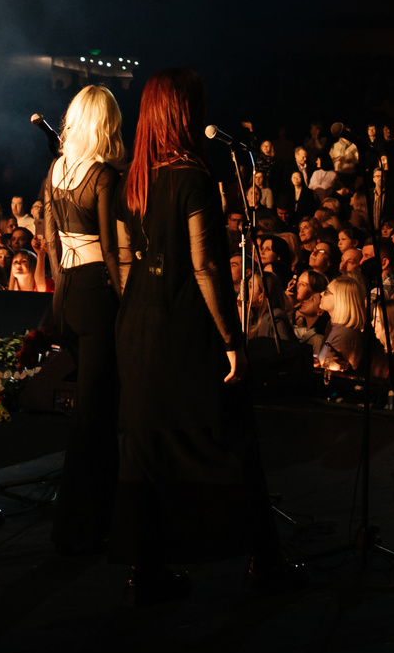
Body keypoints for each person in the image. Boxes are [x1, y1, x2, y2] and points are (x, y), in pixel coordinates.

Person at [116, 67, 290, 603]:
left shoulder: (134, 178)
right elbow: (206, 268)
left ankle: (145, 567)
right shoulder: (193, 176)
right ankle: (265, 558)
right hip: (186, 327)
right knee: (231, 433)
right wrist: (233, 341)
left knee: (148, 449)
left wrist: (139, 309)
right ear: (184, 113)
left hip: (138, 323)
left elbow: (123, 261)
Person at [37, 85, 128, 554]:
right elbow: (113, 252)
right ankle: (81, 520)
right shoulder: (103, 177)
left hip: (67, 292)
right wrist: (129, 299)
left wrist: (58, 296)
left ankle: (94, 513)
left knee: (91, 409)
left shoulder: (56, 170)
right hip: (96, 293)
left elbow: (50, 240)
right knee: (97, 411)